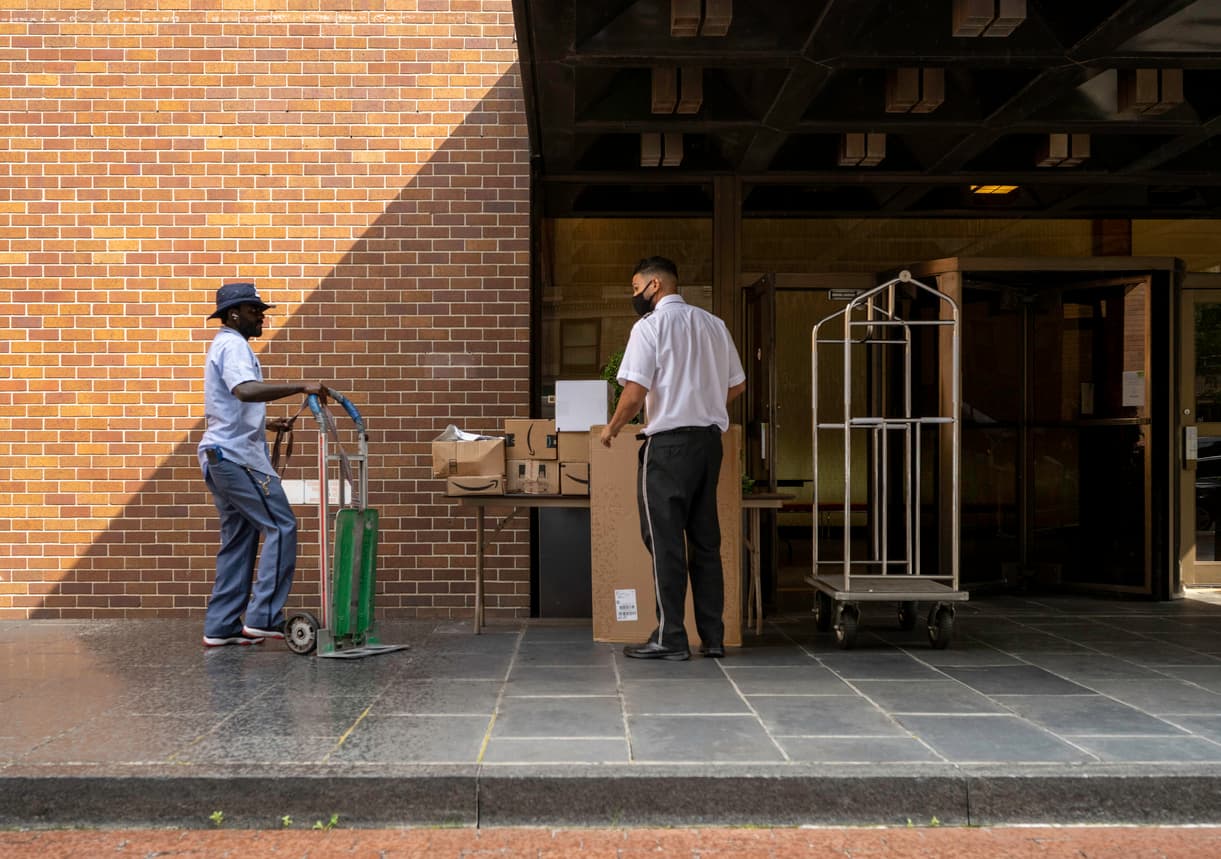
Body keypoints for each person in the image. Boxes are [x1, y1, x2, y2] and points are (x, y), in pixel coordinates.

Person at [599, 257, 746, 661]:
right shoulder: (714, 324)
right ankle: (712, 638)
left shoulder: (650, 327)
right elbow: (738, 384)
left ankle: (671, 636)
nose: (634, 296)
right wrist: (703, 403)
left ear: (655, 286)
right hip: (708, 445)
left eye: (635, 287)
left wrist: (611, 428)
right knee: (705, 541)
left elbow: (634, 392)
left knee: (665, 542)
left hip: (667, 449)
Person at [198, 282, 324, 647]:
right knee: (282, 525)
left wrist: (268, 424)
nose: (262, 318)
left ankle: (221, 626)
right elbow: (244, 390)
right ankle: (264, 617)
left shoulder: (225, 346)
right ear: (234, 314)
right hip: (236, 459)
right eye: (256, 312)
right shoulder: (233, 345)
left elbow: (228, 405)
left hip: (220, 456)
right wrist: (302, 386)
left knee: (239, 540)